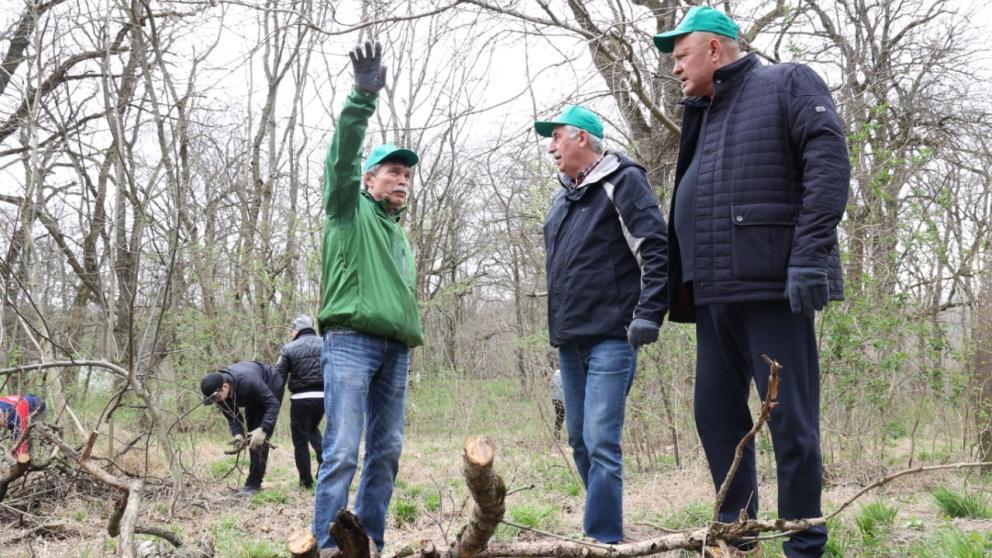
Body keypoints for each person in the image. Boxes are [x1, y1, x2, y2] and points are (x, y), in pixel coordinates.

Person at [653, 6, 850, 557]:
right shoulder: (705, 111)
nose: (675, 68)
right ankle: (738, 539)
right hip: (713, 292)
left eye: (681, 55)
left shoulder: (786, 82)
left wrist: (810, 254)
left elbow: (829, 161)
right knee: (714, 415)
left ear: (714, 49)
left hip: (771, 287)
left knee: (791, 425)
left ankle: (803, 544)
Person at [535, 104, 668, 544]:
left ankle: (603, 538)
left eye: (557, 137)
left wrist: (649, 313)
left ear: (584, 139)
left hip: (613, 336)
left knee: (600, 440)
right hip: (569, 340)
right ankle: (603, 523)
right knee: (577, 439)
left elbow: (655, 247)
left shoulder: (622, 181)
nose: (551, 147)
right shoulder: (562, 200)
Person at [311, 41, 424, 553]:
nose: (401, 179)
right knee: (340, 451)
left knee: (387, 451)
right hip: (351, 342)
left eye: (406, 174)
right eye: (392, 172)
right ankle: (327, 545)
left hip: (395, 350)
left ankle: (369, 544)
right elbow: (341, 156)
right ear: (369, 178)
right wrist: (361, 98)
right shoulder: (347, 210)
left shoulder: (399, 234)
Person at [201, 361, 284, 496]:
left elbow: (273, 404)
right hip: (250, 395)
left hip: (271, 383)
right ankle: (253, 482)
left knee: (258, 439)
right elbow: (233, 417)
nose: (217, 402)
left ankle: (253, 484)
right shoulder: (220, 395)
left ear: (225, 386)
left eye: (216, 398)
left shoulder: (248, 381)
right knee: (251, 430)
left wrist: (263, 429)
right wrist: (238, 434)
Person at [275, 314, 324, 489]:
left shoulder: (289, 348)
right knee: (311, 428)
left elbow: (278, 377)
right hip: (323, 398)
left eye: (292, 330)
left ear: (296, 330)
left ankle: (305, 482)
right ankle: (324, 459)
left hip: (301, 399)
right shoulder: (326, 343)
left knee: (300, 440)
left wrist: (274, 404)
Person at [550, 369, 564, 441]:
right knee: (561, 417)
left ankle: (556, 436)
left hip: (556, 398)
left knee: (559, 418)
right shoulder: (568, 372)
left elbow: (552, 387)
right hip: (562, 398)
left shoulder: (555, 373)